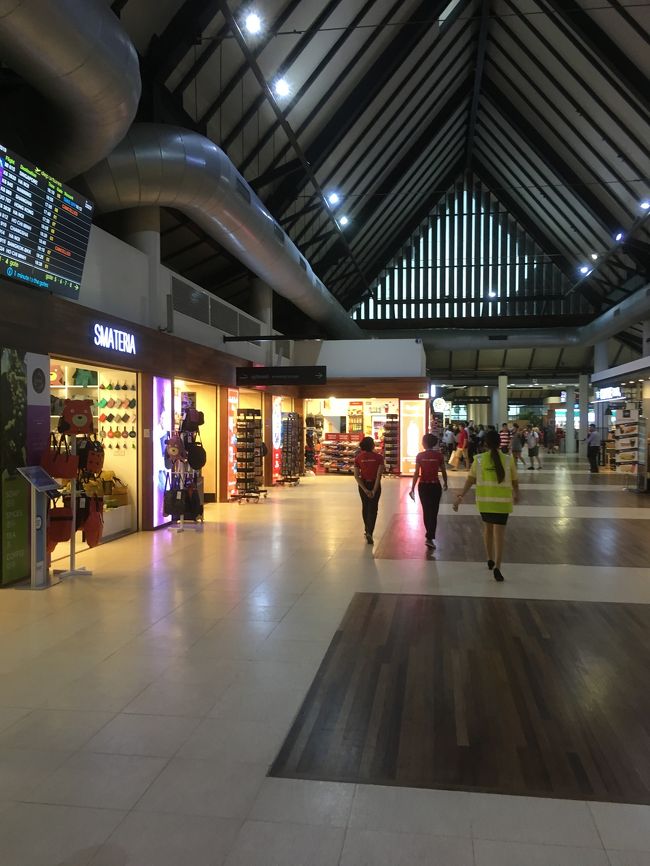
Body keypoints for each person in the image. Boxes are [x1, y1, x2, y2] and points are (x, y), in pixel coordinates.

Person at [453, 428, 519, 582]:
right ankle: (498, 566)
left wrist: (460, 496)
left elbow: (470, 479)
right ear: (499, 443)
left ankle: (489, 559)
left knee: (488, 530)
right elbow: (515, 481)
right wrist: (517, 493)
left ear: (485, 444)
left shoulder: (479, 459)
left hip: (485, 502)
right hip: (502, 504)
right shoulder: (508, 460)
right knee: (500, 536)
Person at [409, 433, 448, 549]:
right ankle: (430, 537)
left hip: (423, 486)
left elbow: (416, 473)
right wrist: (445, 482)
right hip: (435, 486)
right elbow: (444, 471)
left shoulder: (419, 456)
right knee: (434, 512)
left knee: (426, 511)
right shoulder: (439, 456)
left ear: (425, 443)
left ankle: (429, 536)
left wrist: (412, 488)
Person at [353, 436, 384, 544]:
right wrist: (374, 490)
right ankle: (370, 531)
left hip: (363, 484)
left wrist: (365, 489)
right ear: (372, 445)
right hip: (375, 484)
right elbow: (378, 475)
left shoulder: (358, 458)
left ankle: (367, 530)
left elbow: (356, 476)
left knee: (365, 507)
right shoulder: (379, 458)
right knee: (373, 508)